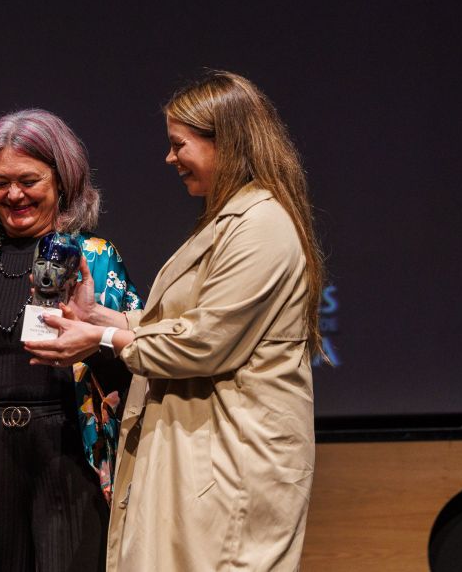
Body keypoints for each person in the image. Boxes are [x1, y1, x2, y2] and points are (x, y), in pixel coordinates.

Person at [26, 71, 326, 571]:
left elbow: (203, 342)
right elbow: (185, 319)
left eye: (178, 144)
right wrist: (98, 313)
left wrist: (100, 336)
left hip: (234, 456)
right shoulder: (230, 220)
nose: (170, 158)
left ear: (224, 142)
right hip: (202, 448)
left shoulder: (262, 226)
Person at [0, 109, 141, 571]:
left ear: (63, 181)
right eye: (0, 182)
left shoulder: (95, 260)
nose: (13, 194)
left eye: (29, 180)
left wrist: (93, 327)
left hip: (68, 453)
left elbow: (133, 364)